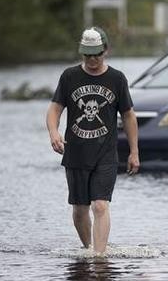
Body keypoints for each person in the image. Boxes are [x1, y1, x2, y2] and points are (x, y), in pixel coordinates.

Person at [46, 26, 139, 254]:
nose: (92, 59)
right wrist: (54, 133)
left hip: (105, 153)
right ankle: (89, 250)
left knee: (100, 205)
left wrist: (134, 152)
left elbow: (128, 115)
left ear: (105, 50)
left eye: (96, 53)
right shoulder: (70, 76)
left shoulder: (117, 79)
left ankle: (99, 258)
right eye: (87, 54)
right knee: (79, 210)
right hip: (76, 152)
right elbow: (54, 109)